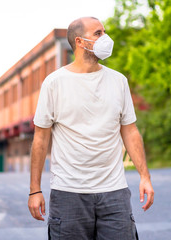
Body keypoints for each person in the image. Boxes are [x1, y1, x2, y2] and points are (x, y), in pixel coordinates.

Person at [28, 17, 154, 240]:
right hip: (68, 193)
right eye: (98, 33)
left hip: (114, 191)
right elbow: (40, 138)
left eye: (104, 32)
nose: (105, 38)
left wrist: (145, 176)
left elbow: (130, 131)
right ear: (80, 41)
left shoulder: (118, 81)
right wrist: (35, 189)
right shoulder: (54, 83)